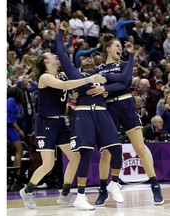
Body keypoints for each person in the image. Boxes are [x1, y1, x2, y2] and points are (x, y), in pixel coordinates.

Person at [19, 51, 106, 209]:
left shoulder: (62, 75)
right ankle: (27, 190)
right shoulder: (45, 77)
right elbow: (64, 86)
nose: (55, 56)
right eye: (51, 55)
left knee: (75, 157)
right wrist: (89, 78)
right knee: (48, 164)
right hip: (45, 123)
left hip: (61, 122)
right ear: (46, 61)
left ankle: (65, 193)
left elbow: (68, 88)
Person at [87, 33, 164, 206]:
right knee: (106, 152)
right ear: (108, 49)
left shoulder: (124, 63)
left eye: (121, 47)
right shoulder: (98, 69)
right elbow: (119, 82)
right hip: (109, 108)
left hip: (127, 105)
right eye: (117, 46)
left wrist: (106, 85)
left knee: (139, 147)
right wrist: (113, 82)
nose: (120, 48)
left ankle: (155, 186)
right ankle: (102, 189)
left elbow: (125, 81)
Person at [56, 21, 126, 210]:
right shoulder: (75, 75)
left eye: (91, 59)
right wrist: (61, 32)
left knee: (117, 148)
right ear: (79, 62)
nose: (89, 59)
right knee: (85, 153)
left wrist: (105, 88)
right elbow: (61, 53)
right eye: (84, 59)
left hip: (103, 114)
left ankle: (114, 182)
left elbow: (123, 83)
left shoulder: (102, 74)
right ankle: (80, 195)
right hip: (83, 114)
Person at [7, 86, 25, 186]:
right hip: (9, 127)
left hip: (10, 127)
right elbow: (9, 118)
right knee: (19, 150)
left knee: (19, 151)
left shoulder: (11, 100)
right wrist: (19, 130)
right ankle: (16, 176)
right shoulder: (11, 100)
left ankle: (15, 175)